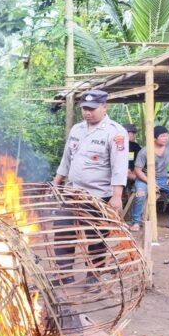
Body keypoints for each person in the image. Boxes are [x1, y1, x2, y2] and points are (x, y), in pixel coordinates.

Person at [51, 89, 128, 286]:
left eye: (92, 109)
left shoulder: (116, 132)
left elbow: (119, 166)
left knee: (96, 238)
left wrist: (116, 196)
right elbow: (66, 159)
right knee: (62, 232)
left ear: (104, 107)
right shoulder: (77, 129)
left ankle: (93, 278)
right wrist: (56, 182)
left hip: (98, 196)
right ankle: (63, 274)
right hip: (72, 192)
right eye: (85, 108)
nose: (88, 112)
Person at [130, 125, 169, 231]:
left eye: (166, 135)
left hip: (163, 178)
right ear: (154, 138)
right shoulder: (145, 151)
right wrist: (150, 182)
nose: (165, 138)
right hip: (145, 178)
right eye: (162, 136)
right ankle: (136, 222)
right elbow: (138, 170)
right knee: (140, 194)